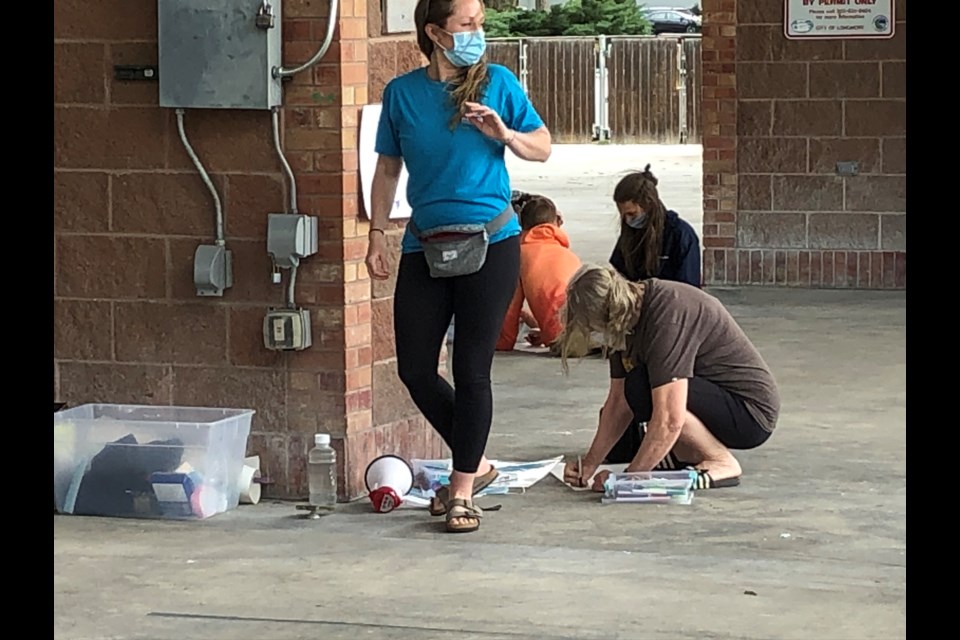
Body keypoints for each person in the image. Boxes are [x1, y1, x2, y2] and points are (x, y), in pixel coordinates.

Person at [364, 0, 551, 533]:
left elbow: (543, 147)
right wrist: (378, 232)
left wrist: (505, 135)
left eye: (480, 24)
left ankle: (462, 489)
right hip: (425, 243)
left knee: (472, 370)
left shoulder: (497, 83)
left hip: (492, 242)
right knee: (415, 369)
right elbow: (386, 169)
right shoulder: (402, 94)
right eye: (466, 25)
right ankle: (482, 463)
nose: (478, 33)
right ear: (435, 33)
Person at [556, 264, 781, 492]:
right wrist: (589, 464)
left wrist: (627, 481)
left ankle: (720, 460)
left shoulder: (667, 316)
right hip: (710, 397)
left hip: (749, 413)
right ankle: (689, 454)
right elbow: (617, 403)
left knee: (642, 386)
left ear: (607, 316)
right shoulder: (623, 321)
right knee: (636, 389)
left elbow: (670, 419)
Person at [601, 165, 704, 465]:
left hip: (672, 323)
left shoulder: (681, 236)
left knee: (665, 389)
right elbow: (617, 276)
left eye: (632, 213)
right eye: (623, 215)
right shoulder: (628, 237)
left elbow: (687, 293)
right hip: (635, 322)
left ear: (648, 205)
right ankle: (628, 438)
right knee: (629, 386)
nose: (628, 220)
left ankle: (676, 441)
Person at [495, 195, 584, 355]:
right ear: (556, 223)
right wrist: (544, 335)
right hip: (590, 334)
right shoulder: (568, 255)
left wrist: (503, 342)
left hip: (562, 340)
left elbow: (510, 306)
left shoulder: (520, 255)